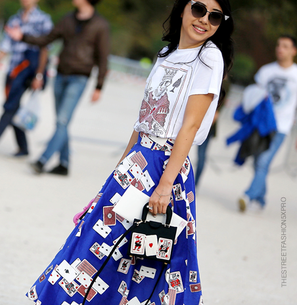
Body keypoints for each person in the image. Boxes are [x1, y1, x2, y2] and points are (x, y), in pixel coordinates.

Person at [24, 0, 234, 304]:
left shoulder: (209, 57)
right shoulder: (167, 54)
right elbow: (142, 118)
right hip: (137, 160)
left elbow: (189, 127)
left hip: (166, 165)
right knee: (97, 244)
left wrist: (164, 187)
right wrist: (118, 172)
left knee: (147, 261)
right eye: (199, 9)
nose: (205, 20)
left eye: (215, 16)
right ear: (184, 8)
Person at [6, 0, 110, 175]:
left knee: (62, 121)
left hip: (80, 78)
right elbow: (47, 39)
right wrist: (22, 36)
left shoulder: (101, 25)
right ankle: (64, 163)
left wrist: (99, 86)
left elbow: (103, 57)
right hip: (61, 75)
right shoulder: (68, 19)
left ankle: (42, 160)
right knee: (62, 122)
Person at [0, 0, 52, 157]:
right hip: (14, 70)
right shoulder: (14, 20)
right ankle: (23, 148)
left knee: (9, 108)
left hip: (30, 72)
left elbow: (45, 49)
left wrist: (39, 75)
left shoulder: (43, 20)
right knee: (13, 108)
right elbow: (5, 47)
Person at [237, 35, 297, 212]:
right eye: (279, 45)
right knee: (257, 162)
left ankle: (247, 196)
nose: (280, 49)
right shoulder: (265, 71)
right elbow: (254, 97)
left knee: (263, 162)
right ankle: (261, 198)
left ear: (294, 51)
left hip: (281, 127)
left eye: (285, 46)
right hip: (261, 125)